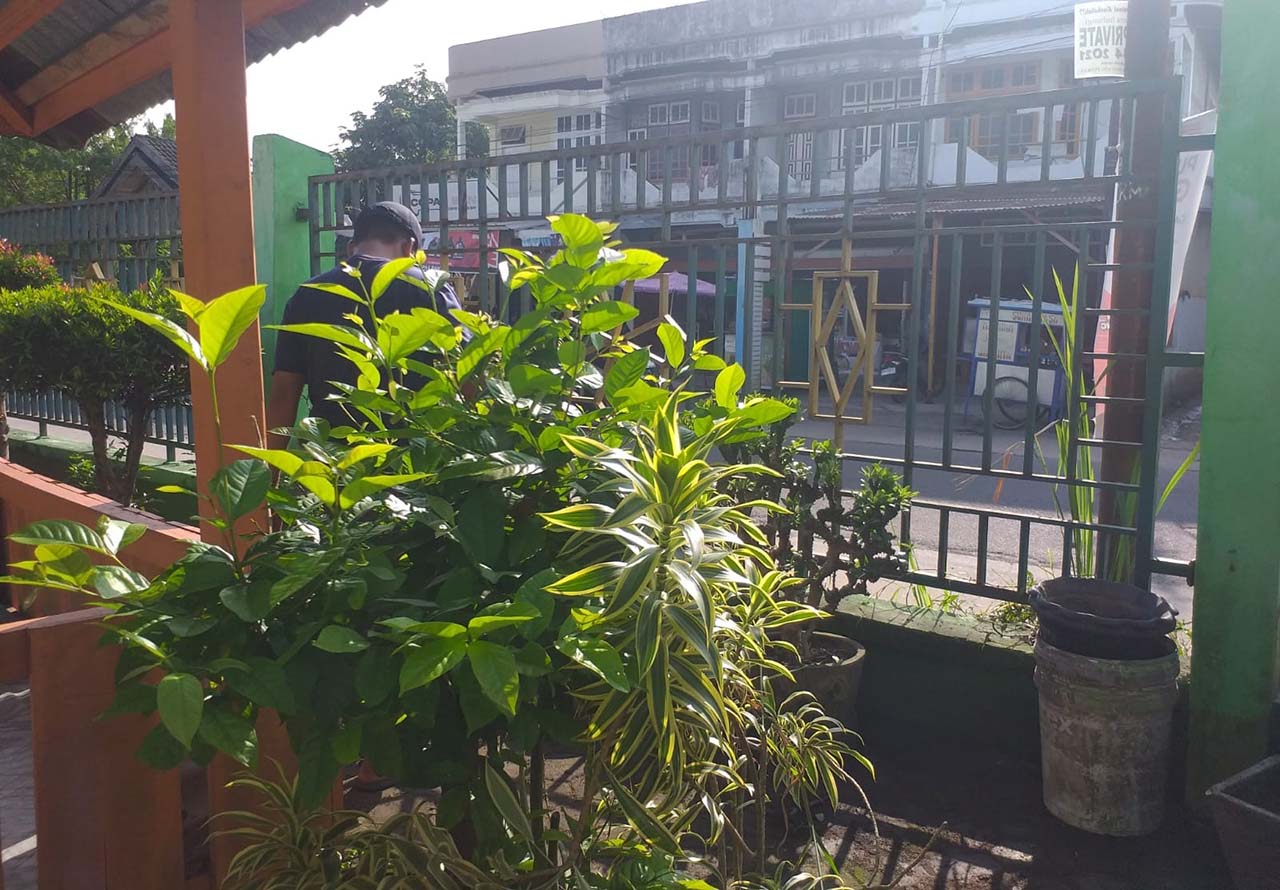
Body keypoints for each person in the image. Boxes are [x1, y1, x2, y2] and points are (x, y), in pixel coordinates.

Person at [267, 202, 460, 445]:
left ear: (351, 248)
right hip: (416, 457)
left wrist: (268, 468)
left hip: (329, 457)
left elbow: (284, 395)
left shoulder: (307, 295)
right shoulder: (431, 291)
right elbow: (468, 377)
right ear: (409, 248)